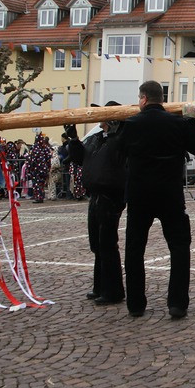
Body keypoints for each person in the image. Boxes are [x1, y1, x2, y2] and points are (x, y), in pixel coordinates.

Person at [117, 82, 195, 318]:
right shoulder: (177, 123)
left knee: (135, 249)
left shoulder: (132, 124)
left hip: (139, 194)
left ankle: (135, 304)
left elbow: (119, 152)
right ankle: (177, 303)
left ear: (144, 99)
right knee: (179, 247)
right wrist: (192, 120)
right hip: (169, 193)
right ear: (161, 98)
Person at [66, 102, 128, 306]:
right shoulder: (95, 139)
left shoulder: (119, 140)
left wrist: (117, 131)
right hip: (95, 195)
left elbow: (118, 154)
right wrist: (73, 139)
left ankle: (113, 291)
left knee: (107, 243)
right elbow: (78, 159)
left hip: (111, 195)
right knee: (96, 244)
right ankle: (100, 286)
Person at [25, 133, 52, 203]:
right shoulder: (45, 148)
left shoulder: (35, 148)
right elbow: (48, 158)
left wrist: (29, 167)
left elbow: (32, 159)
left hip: (37, 170)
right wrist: (48, 167)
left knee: (37, 184)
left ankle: (39, 197)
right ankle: (40, 196)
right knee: (41, 184)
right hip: (43, 169)